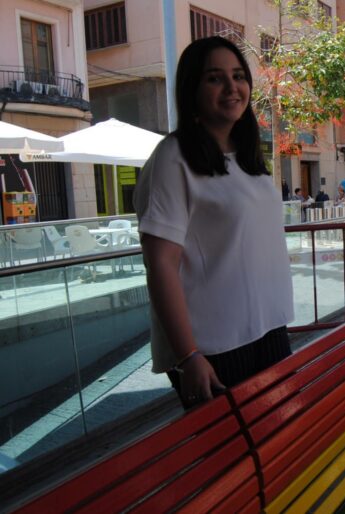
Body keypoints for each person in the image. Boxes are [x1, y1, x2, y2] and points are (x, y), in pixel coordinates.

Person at [134, 36, 294, 410]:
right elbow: (160, 264)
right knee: (238, 460)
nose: (232, 87)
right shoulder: (173, 158)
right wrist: (188, 356)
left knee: (279, 447)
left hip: (268, 329)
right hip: (214, 348)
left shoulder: (248, 159)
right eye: (214, 78)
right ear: (192, 87)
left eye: (238, 75)